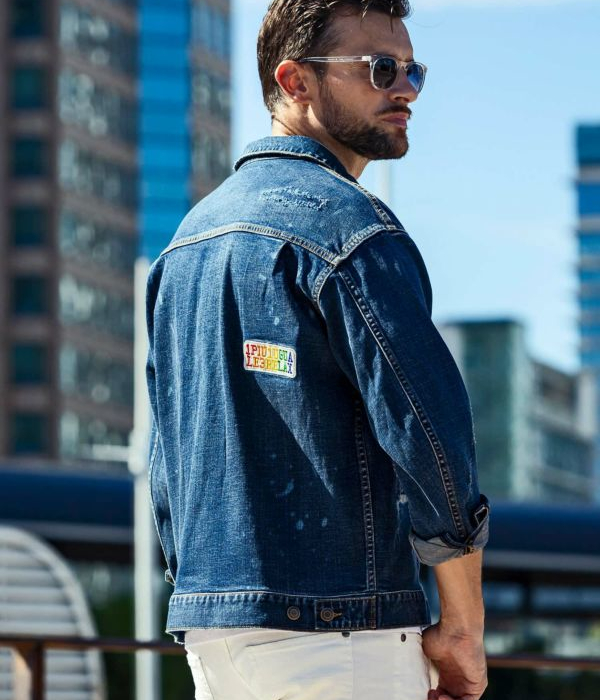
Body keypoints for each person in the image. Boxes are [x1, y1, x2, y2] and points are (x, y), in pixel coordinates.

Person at [145, 1, 491, 698]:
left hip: (216, 639)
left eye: (414, 70)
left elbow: (167, 459)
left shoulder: (186, 244)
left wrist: (200, 590)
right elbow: (430, 436)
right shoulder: (352, 230)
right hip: (341, 636)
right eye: (381, 69)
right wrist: (463, 625)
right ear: (295, 81)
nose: (406, 90)